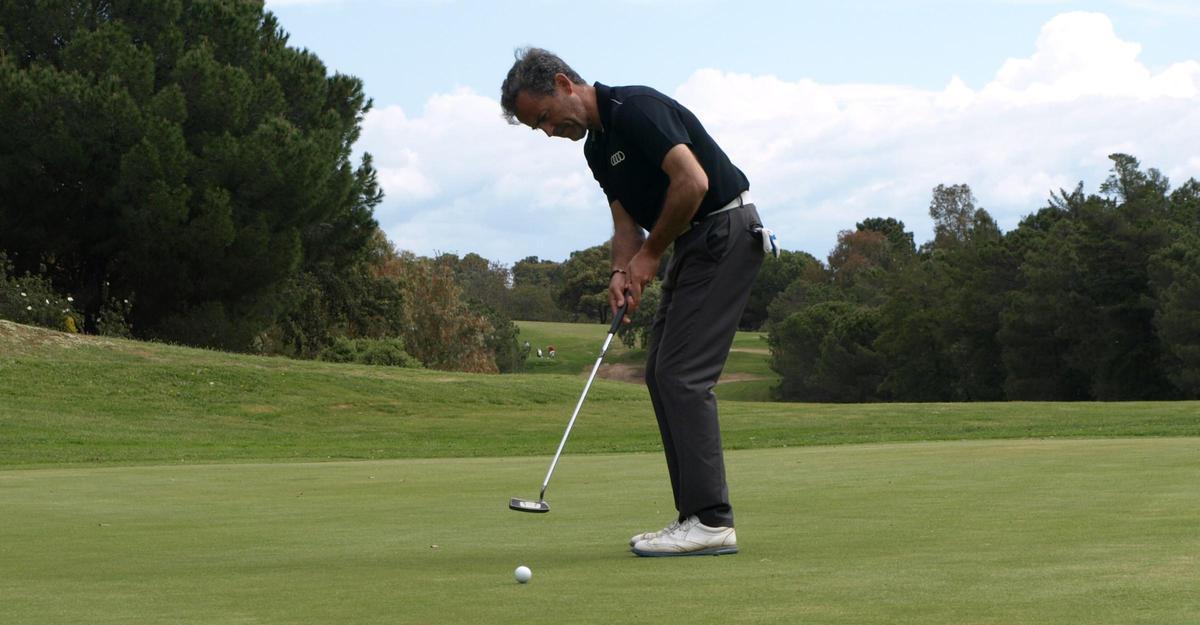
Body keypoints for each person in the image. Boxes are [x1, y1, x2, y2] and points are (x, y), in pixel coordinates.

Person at [501, 48, 764, 557]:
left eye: (545, 118)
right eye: (539, 129)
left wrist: (649, 257)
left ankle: (712, 521)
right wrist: (623, 270)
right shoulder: (596, 149)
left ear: (563, 84)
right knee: (660, 372)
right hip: (696, 241)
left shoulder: (636, 108)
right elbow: (627, 224)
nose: (550, 132)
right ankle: (694, 516)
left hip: (726, 229)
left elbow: (694, 182)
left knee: (683, 375)